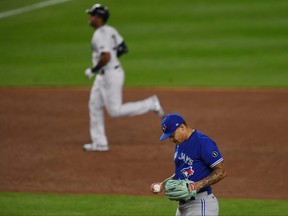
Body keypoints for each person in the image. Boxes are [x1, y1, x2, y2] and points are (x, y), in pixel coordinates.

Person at [83, 4, 164, 151]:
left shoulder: (100, 34)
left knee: (115, 111)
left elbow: (106, 56)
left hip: (109, 76)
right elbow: (123, 48)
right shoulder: (111, 30)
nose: (89, 18)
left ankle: (151, 104)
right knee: (94, 105)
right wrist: (112, 59)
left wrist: (93, 69)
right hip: (105, 75)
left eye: (92, 15)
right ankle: (99, 142)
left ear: (99, 18)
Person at [150, 113, 227, 216]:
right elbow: (182, 173)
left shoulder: (203, 142)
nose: (171, 139)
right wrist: (162, 184)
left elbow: (222, 171)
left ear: (182, 127)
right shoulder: (179, 144)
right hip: (183, 206)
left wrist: (198, 185)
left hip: (200, 204)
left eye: (172, 135)